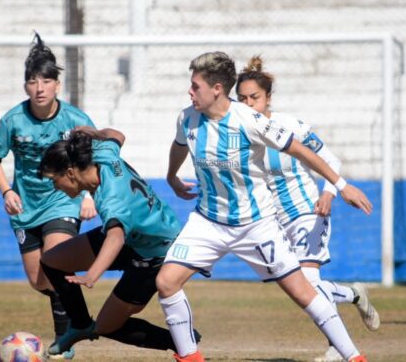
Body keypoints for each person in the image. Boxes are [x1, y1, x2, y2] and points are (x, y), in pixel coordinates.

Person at [157, 51, 372, 362]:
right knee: (165, 281)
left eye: (195, 86)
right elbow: (179, 145)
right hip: (208, 221)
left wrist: (340, 186)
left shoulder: (249, 120)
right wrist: (171, 176)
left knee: (303, 292)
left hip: (255, 224)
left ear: (217, 88)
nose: (190, 92)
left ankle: (354, 357)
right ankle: (191, 358)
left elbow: (299, 150)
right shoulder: (186, 117)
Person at [236, 55, 380, 362]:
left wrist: (329, 193)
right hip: (273, 222)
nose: (249, 104)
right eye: (243, 99)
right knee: (300, 289)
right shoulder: (238, 134)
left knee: (310, 284)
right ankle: (353, 293)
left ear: (268, 98)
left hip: (307, 212)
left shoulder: (291, 126)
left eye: (255, 98)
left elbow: (331, 160)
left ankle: (339, 349)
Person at [38, 127, 200, 357]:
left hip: (156, 251)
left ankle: (182, 340)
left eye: (55, 180)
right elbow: (117, 136)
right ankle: (81, 324)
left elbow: (116, 237)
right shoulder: (103, 155)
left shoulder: (111, 198)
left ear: (71, 173)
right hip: (135, 234)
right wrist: (92, 132)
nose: (55, 187)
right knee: (52, 260)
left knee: (107, 326)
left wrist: (92, 274)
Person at [0, 33, 97, 359]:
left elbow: (99, 155)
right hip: (25, 206)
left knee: (56, 259)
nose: (40, 87)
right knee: (39, 279)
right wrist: (6, 190)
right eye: (33, 81)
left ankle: (66, 340)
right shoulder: (13, 120)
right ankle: (68, 309)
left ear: (57, 85)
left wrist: (88, 196)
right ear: (25, 87)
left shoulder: (75, 120)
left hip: (64, 200)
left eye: (47, 80)